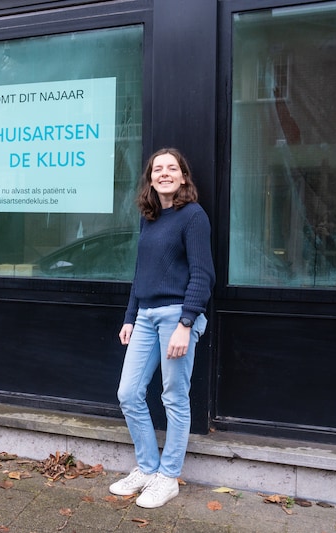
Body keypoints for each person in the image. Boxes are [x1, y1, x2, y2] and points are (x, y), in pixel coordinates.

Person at [109, 147, 215, 508]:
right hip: (145, 316)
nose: (164, 173)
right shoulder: (150, 218)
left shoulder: (193, 216)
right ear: (150, 178)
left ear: (183, 177)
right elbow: (141, 273)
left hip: (176, 316)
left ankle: (168, 478)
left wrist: (186, 322)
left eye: (172, 168)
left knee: (174, 396)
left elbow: (203, 274)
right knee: (128, 393)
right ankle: (147, 468)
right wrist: (130, 316)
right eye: (158, 169)